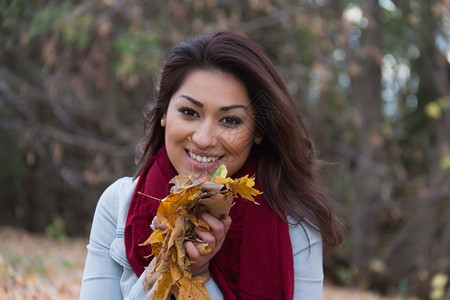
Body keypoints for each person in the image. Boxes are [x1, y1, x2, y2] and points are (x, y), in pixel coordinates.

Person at [80, 31, 346, 300]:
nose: (204, 139)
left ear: (258, 132)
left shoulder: (297, 227)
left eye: (230, 120)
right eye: (189, 112)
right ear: (163, 114)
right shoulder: (118, 204)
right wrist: (170, 263)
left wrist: (199, 276)